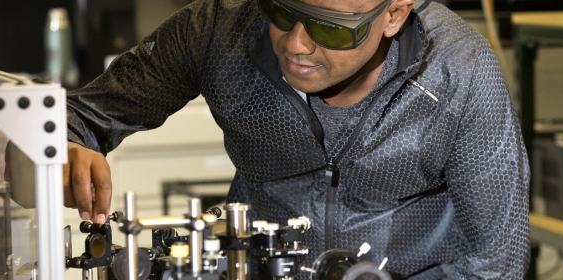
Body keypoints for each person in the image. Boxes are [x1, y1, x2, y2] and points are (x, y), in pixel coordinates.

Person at [64, 0, 530, 278]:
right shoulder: (216, 31)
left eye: (330, 28)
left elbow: (497, 258)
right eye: (281, 11)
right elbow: (81, 115)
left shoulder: (458, 73)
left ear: (393, 14)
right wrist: (66, 147)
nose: (297, 44)